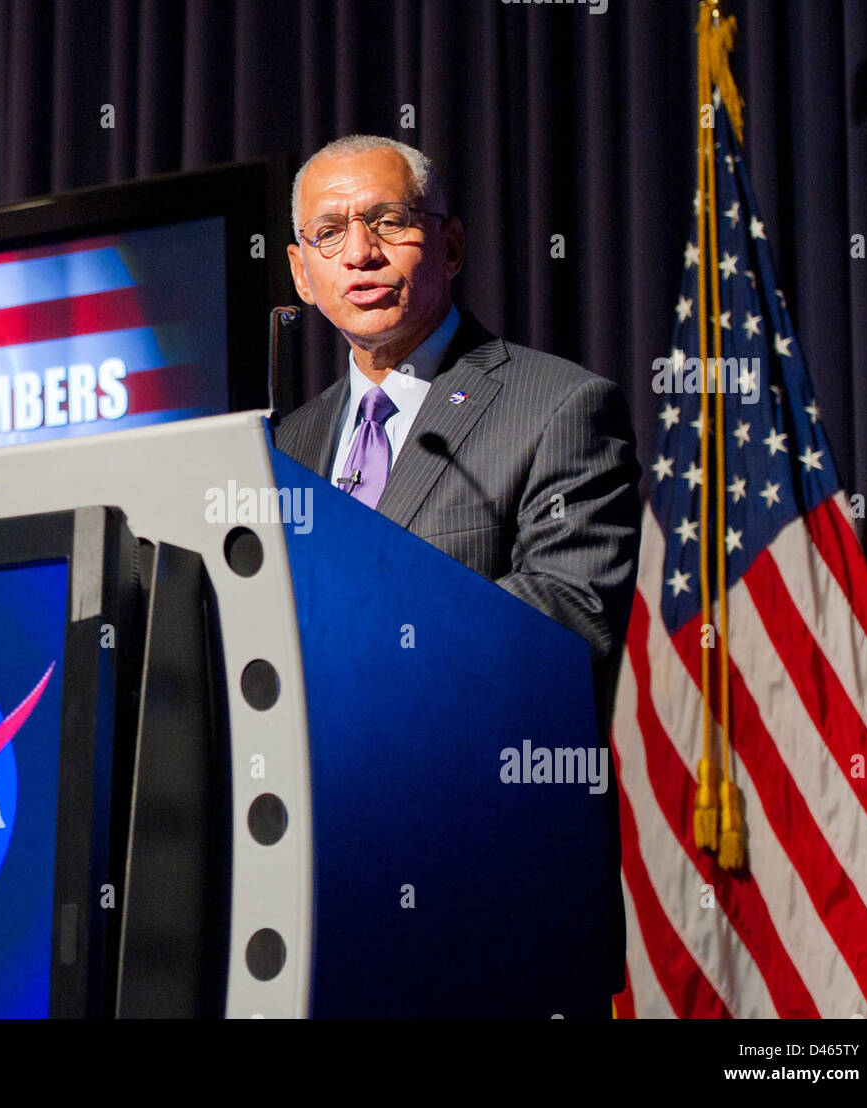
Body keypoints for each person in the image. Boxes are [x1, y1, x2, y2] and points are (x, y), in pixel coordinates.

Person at [274, 134, 641, 1006]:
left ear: (451, 244)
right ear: (299, 271)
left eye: (388, 222)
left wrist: (352, 663)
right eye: (329, 234)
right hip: (318, 900)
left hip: (487, 896)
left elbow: (567, 620)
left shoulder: (558, 405)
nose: (359, 253)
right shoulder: (281, 448)